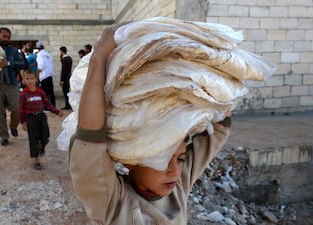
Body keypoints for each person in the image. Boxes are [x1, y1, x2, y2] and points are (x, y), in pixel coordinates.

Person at [69, 25, 232, 224]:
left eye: (180, 158)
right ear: (130, 158)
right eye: (163, 159)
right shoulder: (112, 204)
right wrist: (100, 55)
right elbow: (90, 139)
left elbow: (219, 123)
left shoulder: (177, 187)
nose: (175, 171)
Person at [19, 71, 63, 170]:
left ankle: (41, 147)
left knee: (45, 136)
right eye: (27, 79)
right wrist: (23, 122)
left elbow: (47, 104)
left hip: (41, 117)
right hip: (31, 119)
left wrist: (56, 111)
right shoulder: (23, 94)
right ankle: (36, 160)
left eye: (32, 78)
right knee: (33, 139)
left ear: (36, 79)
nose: (30, 81)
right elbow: (21, 110)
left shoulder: (40, 91)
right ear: (24, 80)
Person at [36, 41, 56, 107]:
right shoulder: (48, 54)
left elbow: (41, 66)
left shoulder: (40, 54)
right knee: (51, 92)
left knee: (44, 93)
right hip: (50, 75)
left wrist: (37, 74)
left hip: (44, 76)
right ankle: (53, 105)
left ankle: (46, 107)